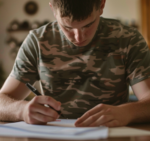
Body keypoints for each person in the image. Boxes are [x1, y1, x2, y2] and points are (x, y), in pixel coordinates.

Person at [0, 0, 150, 127]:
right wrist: (21, 110)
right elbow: (2, 100)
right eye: (68, 27)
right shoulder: (37, 42)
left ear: (102, 5)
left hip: (110, 138)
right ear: (52, 8)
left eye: (87, 25)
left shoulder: (128, 39)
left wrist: (128, 113)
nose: (79, 38)